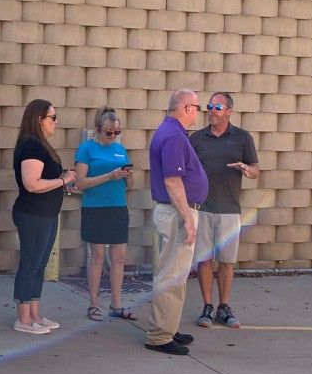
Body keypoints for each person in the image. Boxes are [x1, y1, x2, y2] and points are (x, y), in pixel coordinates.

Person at [190, 92, 260, 330]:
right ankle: (207, 307)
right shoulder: (197, 138)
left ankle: (224, 307)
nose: (212, 110)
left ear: (229, 110)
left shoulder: (242, 138)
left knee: (227, 262)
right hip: (202, 209)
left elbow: (255, 170)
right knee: (204, 260)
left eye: (218, 106)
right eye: (210, 106)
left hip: (229, 209)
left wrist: (246, 170)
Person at [146, 89, 208, 356]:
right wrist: (188, 219)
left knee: (177, 273)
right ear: (186, 108)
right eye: (197, 107)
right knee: (172, 274)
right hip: (176, 214)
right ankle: (160, 335)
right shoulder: (173, 136)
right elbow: (173, 180)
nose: (199, 112)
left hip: (174, 213)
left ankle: (168, 327)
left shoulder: (172, 133)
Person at [11, 99, 75, 334]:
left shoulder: (42, 145)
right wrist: (63, 180)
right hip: (32, 214)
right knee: (29, 263)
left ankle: (35, 314)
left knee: (39, 265)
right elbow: (31, 184)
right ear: (40, 119)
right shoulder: (31, 146)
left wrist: (63, 181)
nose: (56, 122)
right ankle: (23, 319)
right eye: (53, 117)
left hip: (47, 214)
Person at [73, 107, 136, 322]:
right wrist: (109, 175)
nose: (112, 136)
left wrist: (128, 175)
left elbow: (131, 184)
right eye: (108, 132)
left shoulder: (120, 150)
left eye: (116, 132)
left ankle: (116, 304)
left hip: (117, 206)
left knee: (119, 258)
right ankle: (93, 304)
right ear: (97, 129)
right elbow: (80, 182)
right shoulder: (87, 149)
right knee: (97, 257)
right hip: (95, 208)